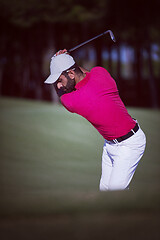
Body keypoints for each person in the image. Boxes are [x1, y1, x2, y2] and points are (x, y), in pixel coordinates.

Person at [45, 49, 146, 191]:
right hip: (110, 145)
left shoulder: (73, 101)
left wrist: (62, 60)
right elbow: (84, 73)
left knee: (114, 194)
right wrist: (65, 59)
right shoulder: (101, 73)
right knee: (105, 193)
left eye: (59, 81)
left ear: (71, 74)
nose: (59, 86)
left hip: (130, 145)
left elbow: (63, 94)